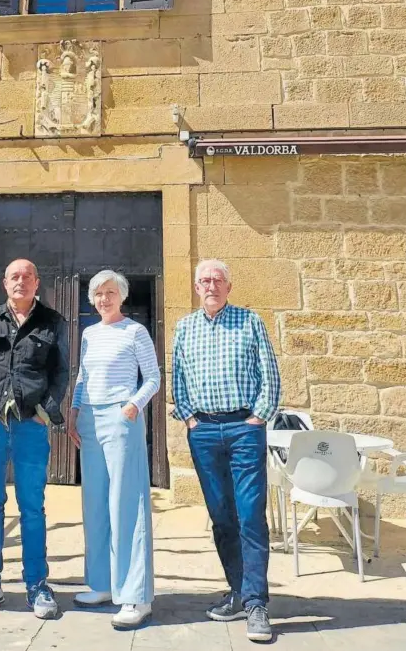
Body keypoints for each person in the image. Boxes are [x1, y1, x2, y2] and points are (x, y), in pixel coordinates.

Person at [172, 259, 281, 644]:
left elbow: (270, 375)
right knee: (221, 517)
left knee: (251, 515)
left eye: (218, 280)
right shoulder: (184, 327)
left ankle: (257, 603)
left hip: (243, 429)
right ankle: (237, 590)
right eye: (205, 280)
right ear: (196, 287)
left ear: (229, 287)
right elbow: (178, 378)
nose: (211, 285)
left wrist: (258, 418)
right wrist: (188, 418)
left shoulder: (250, 322)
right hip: (202, 431)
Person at [0, 259, 69, 620]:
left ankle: (37, 584)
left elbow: (61, 373)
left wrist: (43, 412)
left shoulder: (53, 322)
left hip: (30, 424)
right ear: (5, 283)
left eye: (27, 277)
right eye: (14, 277)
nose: (21, 282)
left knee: (32, 506)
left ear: (38, 283)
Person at [68, 270, 160, 631]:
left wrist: (132, 406)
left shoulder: (135, 331)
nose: (104, 299)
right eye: (98, 294)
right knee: (95, 503)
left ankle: (136, 595)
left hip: (122, 418)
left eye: (110, 292)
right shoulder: (89, 333)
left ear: (121, 296)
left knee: (127, 504)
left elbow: (152, 377)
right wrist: (74, 412)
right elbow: (82, 376)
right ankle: (103, 585)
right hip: (89, 419)